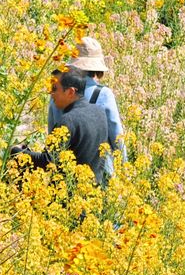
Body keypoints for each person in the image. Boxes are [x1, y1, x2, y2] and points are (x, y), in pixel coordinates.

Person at [11, 68, 109, 186]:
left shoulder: (68, 120)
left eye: (54, 89)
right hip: (92, 194)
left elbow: (47, 161)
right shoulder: (99, 112)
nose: (51, 94)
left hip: (67, 198)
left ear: (70, 92)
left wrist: (16, 151)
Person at [48, 36, 126, 177]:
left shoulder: (59, 93)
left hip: (64, 173)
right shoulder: (103, 94)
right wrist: (125, 168)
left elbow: (52, 136)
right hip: (98, 172)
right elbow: (117, 136)